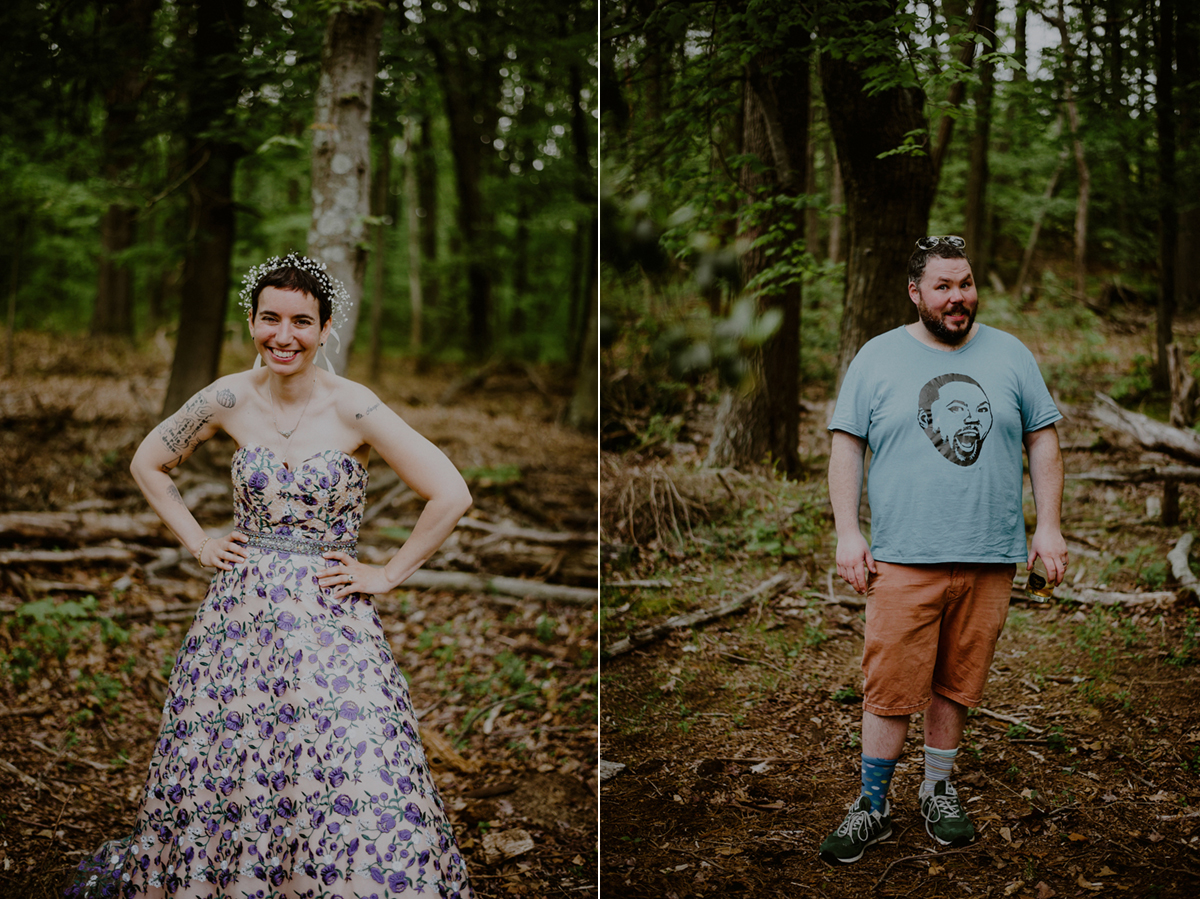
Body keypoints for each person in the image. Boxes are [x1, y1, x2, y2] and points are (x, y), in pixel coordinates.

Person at [65, 254, 475, 898]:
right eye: (270, 319)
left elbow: (450, 492)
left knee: (350, 752)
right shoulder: (228, 396)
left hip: (330, 614)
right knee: (230, 757)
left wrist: (389, 573)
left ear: (326, 327)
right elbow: (150, 462)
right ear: (252, 321)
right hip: (240, 617)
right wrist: (198, 541)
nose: (283, 336)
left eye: (301, 322)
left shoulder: (355, 407)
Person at [817, 236, 1068, 865]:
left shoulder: (1011, 354)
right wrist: (848, 532)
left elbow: (1043, 440)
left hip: (989, 556)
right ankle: (872, 805)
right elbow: (846, 446)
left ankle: (938, 789)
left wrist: (1049, 526)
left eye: (966, 284)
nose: (959, 299)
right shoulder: (877, 358)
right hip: (904, 556)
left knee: (957, 681)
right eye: (944, 287)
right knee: (889, 685)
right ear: (916, 292)